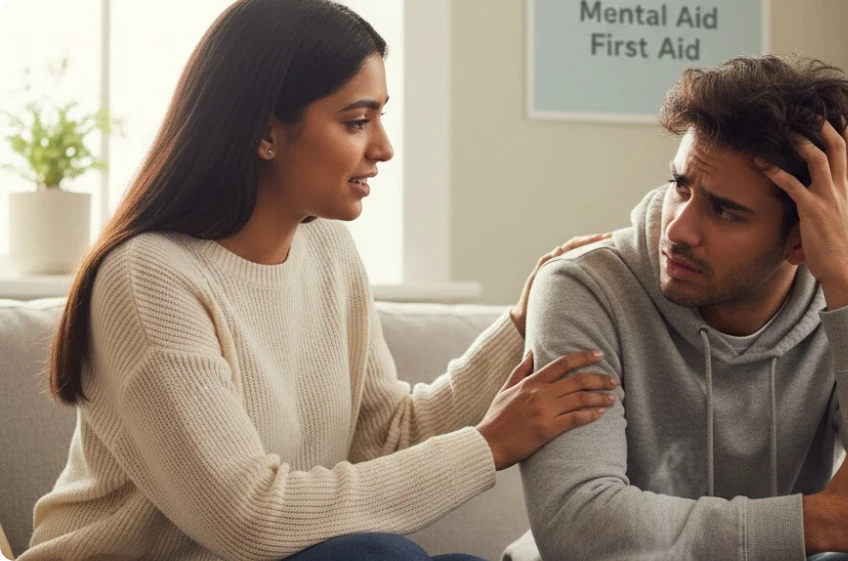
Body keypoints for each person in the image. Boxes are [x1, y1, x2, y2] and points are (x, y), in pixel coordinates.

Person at [18, 2, 617, 560]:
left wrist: (520, 322)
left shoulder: (328, 248)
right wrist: (488, 446)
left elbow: (385, 437)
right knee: (380, 556)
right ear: (266, 132)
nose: (383, 148)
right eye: (357, 121)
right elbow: (246, 517)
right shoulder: (148, 278)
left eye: (381, 116)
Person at [505, 56, 848, 561]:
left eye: (725, 211)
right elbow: (579, 524)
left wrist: (846, 283)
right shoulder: (586, 290)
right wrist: (817, 521)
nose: (678, 230)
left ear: (799, 242)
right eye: (680, 186)